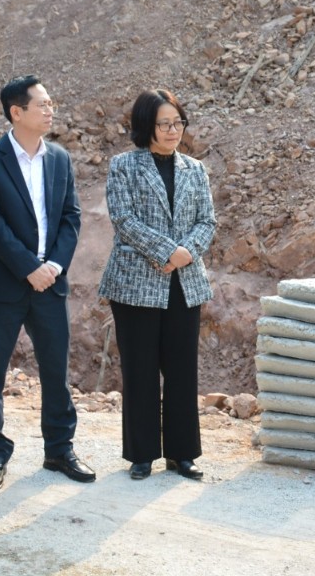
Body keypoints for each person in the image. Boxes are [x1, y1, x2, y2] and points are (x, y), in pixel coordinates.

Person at [0, 75, 94, 492]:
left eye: (51, 102)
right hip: (3, 284)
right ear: (16, 112)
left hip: (51, 283)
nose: (50, 110)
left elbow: (71, 217)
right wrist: (28, 266)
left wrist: (55, 266)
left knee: (56, 370)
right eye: (42, 104)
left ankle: (59, 449)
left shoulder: (59, 158)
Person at [98, 89, 216, 481]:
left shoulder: (194, 169)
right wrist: (167, 251)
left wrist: (185, 252)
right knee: (140, 368)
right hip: (135, 283)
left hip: (184, 281)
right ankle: (141, 453)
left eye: (177, 122)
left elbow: (207, 221)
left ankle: (182, 454)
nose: (172, 130)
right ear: (146, 125)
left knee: (182, 370)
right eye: (164, 123)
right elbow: (124, 219)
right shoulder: (123, 166)